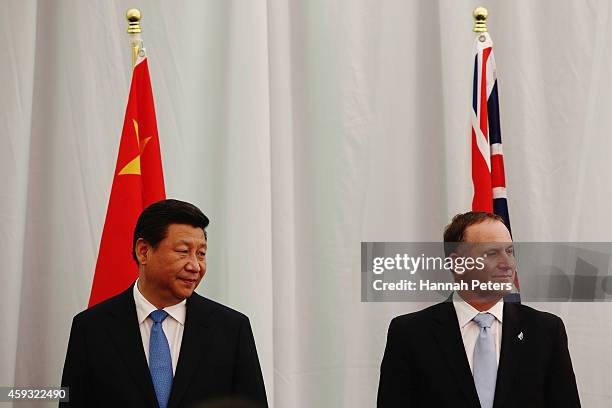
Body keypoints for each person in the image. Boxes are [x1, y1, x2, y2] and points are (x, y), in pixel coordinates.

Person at [61, 199, 267, 407]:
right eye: (183, 251)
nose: (195, 266)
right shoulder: (91, 327)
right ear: (143, 251)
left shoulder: (231, 329)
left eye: (201, 254)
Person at [377, 211, 581, 408]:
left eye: (509, 251)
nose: (507, 264)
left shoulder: (546, 330)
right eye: (492, 253)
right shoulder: (409, 333)